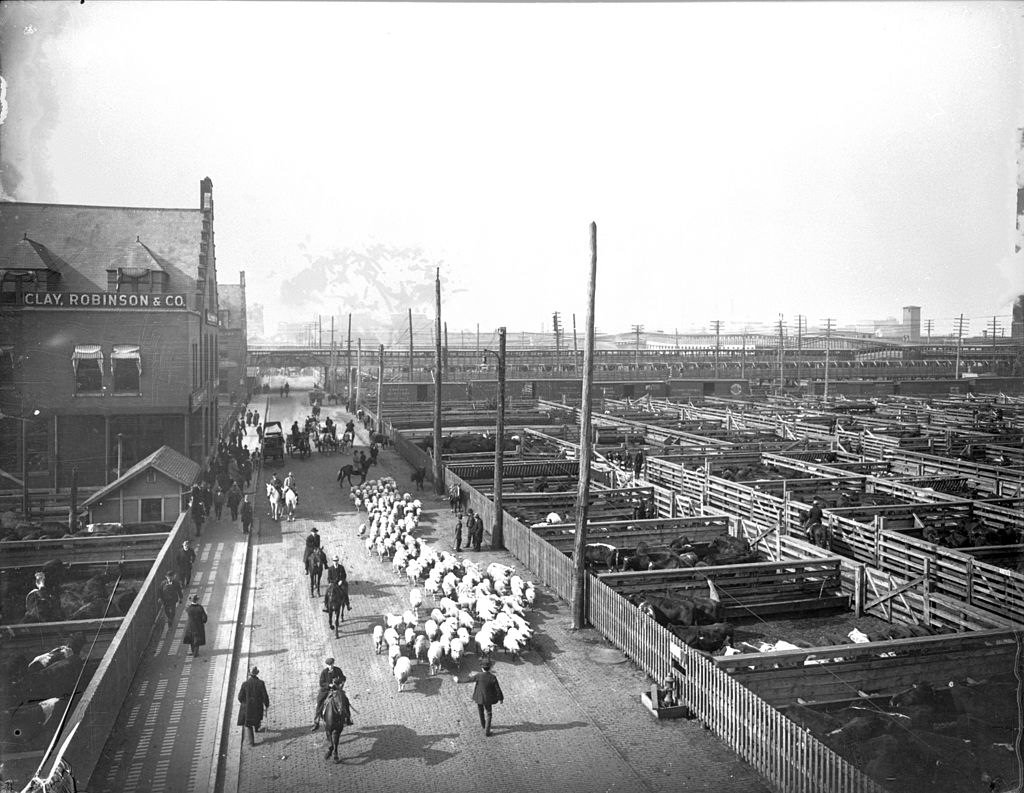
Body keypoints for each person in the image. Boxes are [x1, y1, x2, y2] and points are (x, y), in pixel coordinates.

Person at [456, 658, 504, 736]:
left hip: (479, 697)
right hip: (488, 698)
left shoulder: (479, 675)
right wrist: (501, 698)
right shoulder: (493, 677)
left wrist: (459, 681)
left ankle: (483, 725)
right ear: (491, 667)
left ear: (482, 668)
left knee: (480, 711)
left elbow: (469, 679)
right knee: (489, 714)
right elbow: (498, 689)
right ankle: (487, 731)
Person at [237, 666, 270, 746]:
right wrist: (266, 704)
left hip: (248, 708)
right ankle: (257, 728)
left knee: (248, 725)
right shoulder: (261, 683)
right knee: (257, 718)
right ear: (257, 673)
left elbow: (240, 697)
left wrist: (244, 702)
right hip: (258, 707)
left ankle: (251, 742)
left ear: (249, 674)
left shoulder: (245, 684)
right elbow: (265, 696)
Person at [312, 657, 346, 730]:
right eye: (329, 665)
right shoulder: (324, 672)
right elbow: (321, 683)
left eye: (331, 664)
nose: (330, 666)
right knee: (319, 702)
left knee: (345, 699)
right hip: (326, 691)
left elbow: (343, 678)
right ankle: (316, 721)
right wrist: (328, 685)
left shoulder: (338, 670)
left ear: (333, 664)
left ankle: (348, 718)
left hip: (336, 689)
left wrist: (338, 680)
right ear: (327, 665)